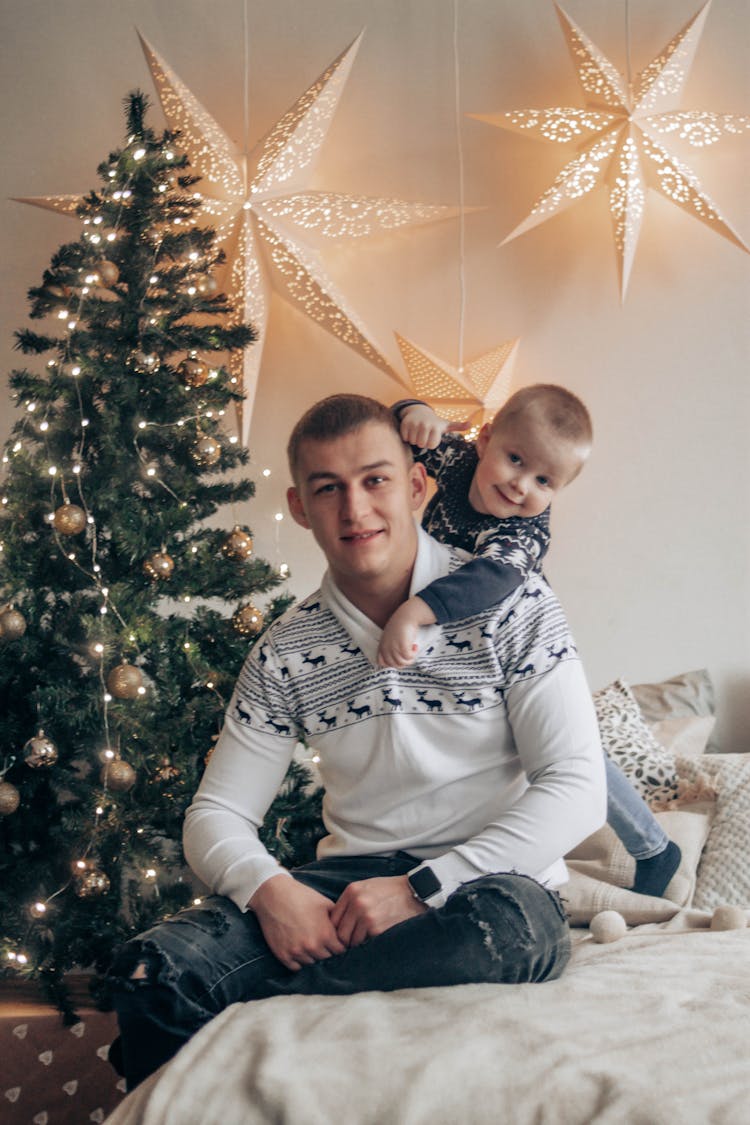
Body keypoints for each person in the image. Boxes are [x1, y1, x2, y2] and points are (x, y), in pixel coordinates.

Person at [106, 393, 606, 1091]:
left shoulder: (516, 604)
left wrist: (421, 889)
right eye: (328, 488)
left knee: (509, 932)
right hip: (344, 889)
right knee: (154, 971)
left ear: (417, 483)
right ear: (301, 506)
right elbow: (215, 814)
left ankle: (262, 1017)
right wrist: (273, 891)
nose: (355, 509)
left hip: (488, 889)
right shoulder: (285, 649)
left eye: (375, 479)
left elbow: (579, 788)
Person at [379, 387, 681, 899]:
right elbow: (396, 426)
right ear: (486, 438)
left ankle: (653, 847)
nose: (521, 486)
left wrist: (413, 611)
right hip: (455, 642)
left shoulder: (525, 530)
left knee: (570, 750)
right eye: (515, 460)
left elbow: (489, 579)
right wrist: (415, 412)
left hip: (523, 646)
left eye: (544, 480)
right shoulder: (453, 460)